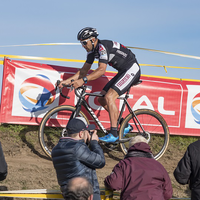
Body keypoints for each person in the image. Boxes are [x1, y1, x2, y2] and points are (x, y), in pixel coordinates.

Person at [58, 27, 141, 143]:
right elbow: (83, 71)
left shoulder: (102, 47)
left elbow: (101, 70)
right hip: (123, 71)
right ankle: (124, 125)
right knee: (101, 99)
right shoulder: (92, 52)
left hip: (132, 69)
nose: (83, 46)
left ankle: (113, 133)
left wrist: (83, 80)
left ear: (92, 40)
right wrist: (67, 81)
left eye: (84, 42)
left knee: (109, 97)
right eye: (81, 43)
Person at [51, 116, 105, 200]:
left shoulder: (56, 149)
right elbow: (100, 161)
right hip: (86, 194)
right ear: (81, 133)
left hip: (69, 194)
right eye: (87, 132)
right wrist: (94, 143)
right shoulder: (78, 148)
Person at [104, 135, 173, 200]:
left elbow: (113, 184)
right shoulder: (159, 166)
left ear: (130, 148)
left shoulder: (124, 164)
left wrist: (107, 179)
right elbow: (168, 194)